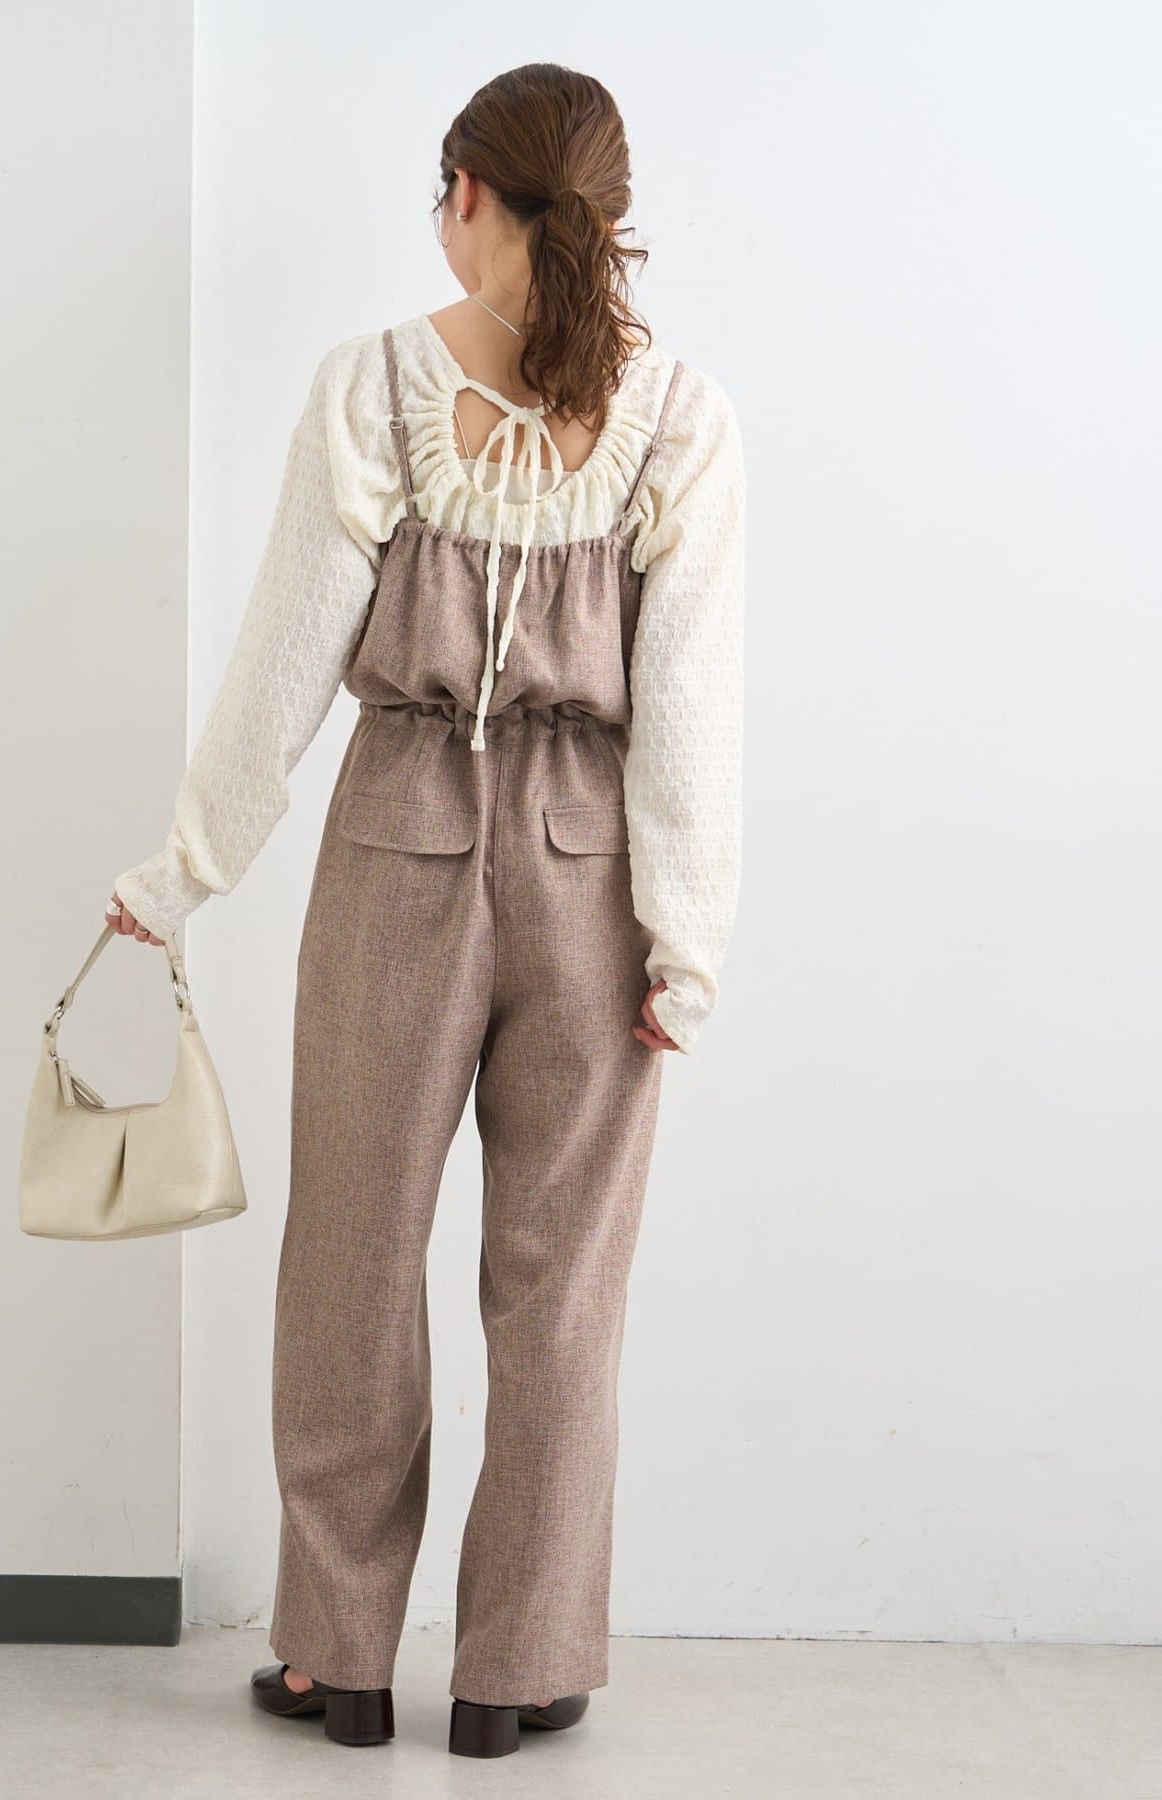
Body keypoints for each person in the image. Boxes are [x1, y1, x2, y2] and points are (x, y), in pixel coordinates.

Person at [108, 61, 747, 1761]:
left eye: (441, 192)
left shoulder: (377, 388)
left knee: (351, 1252)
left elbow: (285, 661)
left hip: (399, 837)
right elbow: (692, 707)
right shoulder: (681, 416)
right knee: (562, 1287)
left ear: (469, 190)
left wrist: (183, 872)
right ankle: (516, 1671)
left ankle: (337, 1658)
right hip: (594, 874)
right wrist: (683, 945)